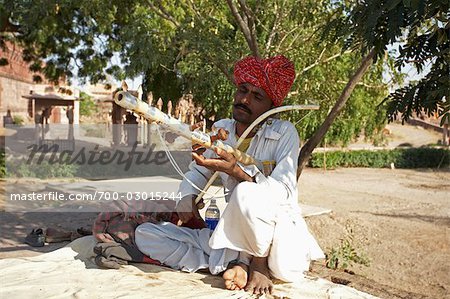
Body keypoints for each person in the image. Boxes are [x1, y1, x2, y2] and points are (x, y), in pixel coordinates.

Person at [134, 55, 324, 295]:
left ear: (271, 107)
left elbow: (284, 192)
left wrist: (237, 171)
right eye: (243, 90)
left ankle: (257, 265)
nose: (244, 99)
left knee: (248, 193)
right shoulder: (221, 129)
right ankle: (232, 266)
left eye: (257, 96)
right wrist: (187, 198)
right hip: (235, 234)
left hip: (277, 241)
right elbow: (199, 171)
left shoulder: (285, 133)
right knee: (146, 235)